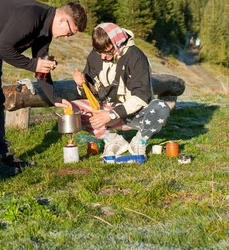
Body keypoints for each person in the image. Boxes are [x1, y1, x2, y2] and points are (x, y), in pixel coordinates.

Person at [0, 0, 87, 176]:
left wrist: (55, 99)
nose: (67, 37)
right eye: (70, 32)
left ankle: (1, 155)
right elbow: (3, 48)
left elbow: (41, 69)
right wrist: (33, 64)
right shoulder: (32, 16)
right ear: (63, 20)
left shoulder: (45, 31)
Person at [62, 22, 170, 159]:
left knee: (161, 108)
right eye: (99, 52)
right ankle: (113, 140)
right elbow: (91, 92)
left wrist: (112, 115)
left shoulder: (136, 57)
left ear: (118, 44)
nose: (102, 57)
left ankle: (139, 141)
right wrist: (81, 84)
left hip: (135, 114)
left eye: (107, 52)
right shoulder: (96, 55)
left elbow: (142, 97)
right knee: (73, 109)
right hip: (106, 109)